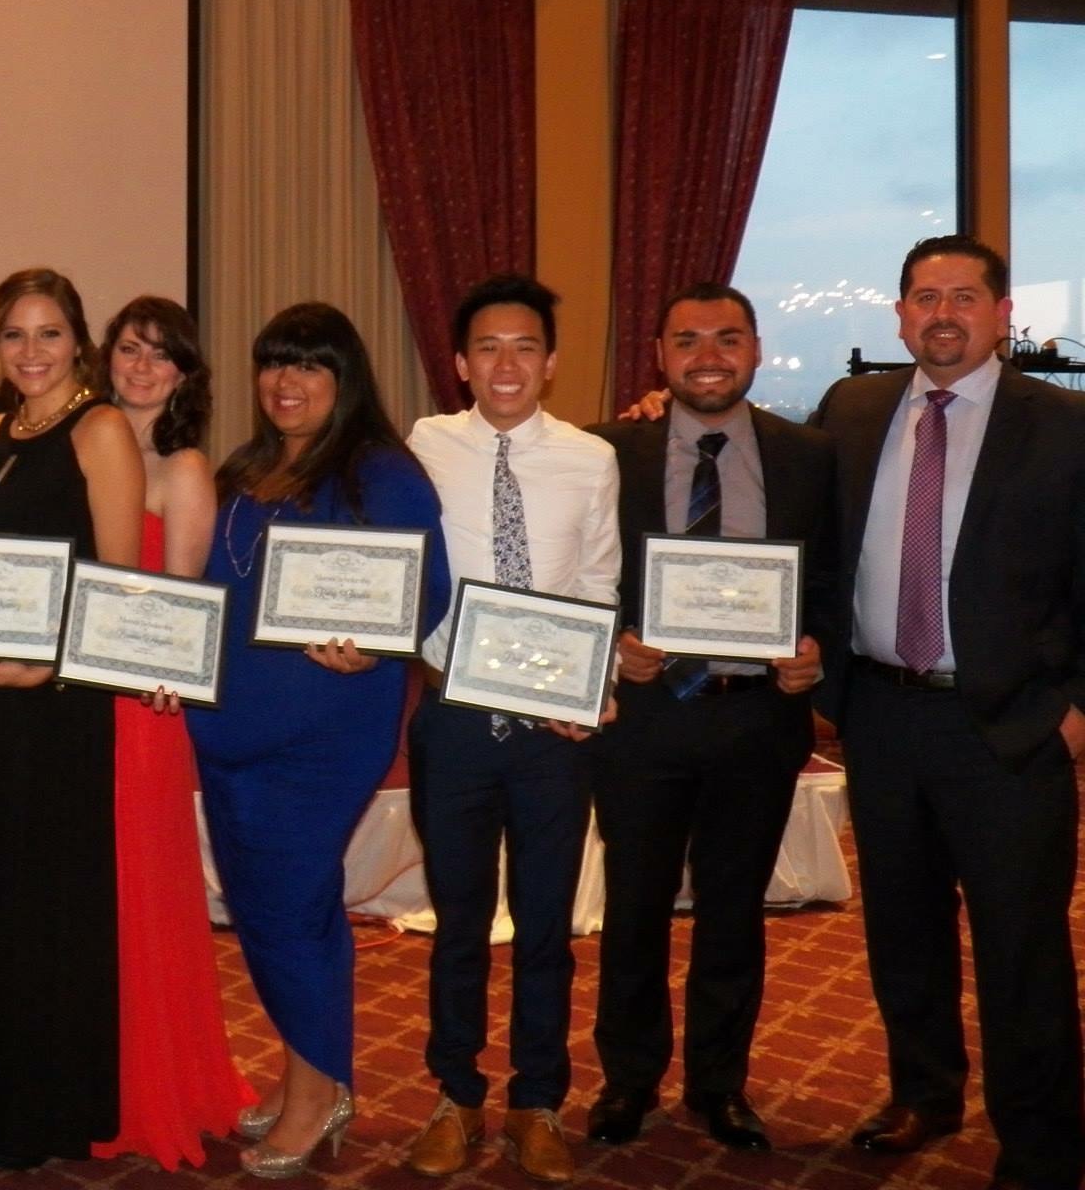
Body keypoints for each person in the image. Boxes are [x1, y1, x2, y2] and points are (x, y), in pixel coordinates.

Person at [810, 234, 1084, 1190]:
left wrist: (1077, 707)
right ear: (899, 316)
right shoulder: (851, 410)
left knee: (1021, 945)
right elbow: (790, 511)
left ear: (1002, 314)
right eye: (925, 297)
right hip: (881, 717)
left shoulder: (1065, 425)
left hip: (1010, 726)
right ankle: (923, 1092)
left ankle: (1042, 1143)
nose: (943, 314)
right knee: (903, 928)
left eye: (964, 296)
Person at [187, 301, 451, 1180]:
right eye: (274, 362)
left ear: (345, 378)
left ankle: (319, 1094)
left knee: (293, 914)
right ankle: (308, 1070)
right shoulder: (244, 468)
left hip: (319, 739)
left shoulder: (380, 472)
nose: (286, 381)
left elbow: (427, 588)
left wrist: (374, 642)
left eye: (308, 364)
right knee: (262, 912)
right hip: (229, 731)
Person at [583, 282, 836, 1153]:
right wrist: (613, 643)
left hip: (757, 719)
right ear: (659, 355)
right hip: (646, 717)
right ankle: (628, 1079)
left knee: (734, 913)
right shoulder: (607, 451)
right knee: (635, 909)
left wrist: (816, 652)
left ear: (756, 350)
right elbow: (579, 573)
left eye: (728, 338)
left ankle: (719, 1084)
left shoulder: (810, 455)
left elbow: (833, 577)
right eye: (687, 339)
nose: (708, 356)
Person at [403, 273, 620, 1184]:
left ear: (551, 362)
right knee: (457, 924)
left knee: (544, 929)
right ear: (460, 363)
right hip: (452, 720)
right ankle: (455, 1096)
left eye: (524, 347)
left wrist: (592, 685)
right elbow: (395, 568)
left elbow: (599, 582)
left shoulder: (590, 459)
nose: (506, 363)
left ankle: (538, 1102)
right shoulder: (420, 447)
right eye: (487, 347)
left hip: (550, 735)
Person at [0, 267, 146, 1169]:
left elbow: (118, 588)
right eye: (15, 335)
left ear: (79, 343)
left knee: (45, 904)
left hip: (59, 704)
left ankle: (44, 1109)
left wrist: (46, 669)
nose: (32, 351)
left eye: (50, 333)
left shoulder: (100, 430)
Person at [91, 295, 252, 1169]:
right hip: (77, 698)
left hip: (143, 710)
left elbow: (181, 610)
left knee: (141, 889)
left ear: (186, 375)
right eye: (129, 348)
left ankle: (153, 1087)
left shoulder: (185, 467)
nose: (143, 366)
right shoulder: (84, 446)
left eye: (162, 354)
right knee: (89, 889)